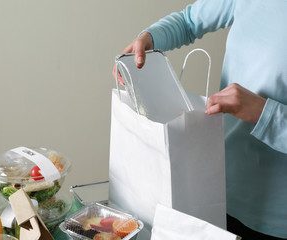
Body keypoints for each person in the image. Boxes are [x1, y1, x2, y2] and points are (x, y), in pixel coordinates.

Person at [112, 0, 287, 239]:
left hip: (275, 219)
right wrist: (149, 38)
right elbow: (188, 21)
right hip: (215, 191)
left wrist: (262, 113)